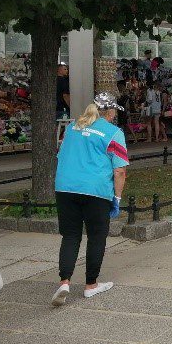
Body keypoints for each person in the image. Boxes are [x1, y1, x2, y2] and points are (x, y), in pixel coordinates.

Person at [52, 92, 128, 306]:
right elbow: (119, 171)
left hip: (65, 188)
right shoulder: (114, 133)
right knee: (96, 236)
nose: (114, 116)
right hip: (96, 190)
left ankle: (64, 281)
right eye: (114, 112)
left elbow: (61, 156)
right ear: (110, 112)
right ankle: (91, 285)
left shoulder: (72, 127)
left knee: (70, 236)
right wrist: (117, 197)